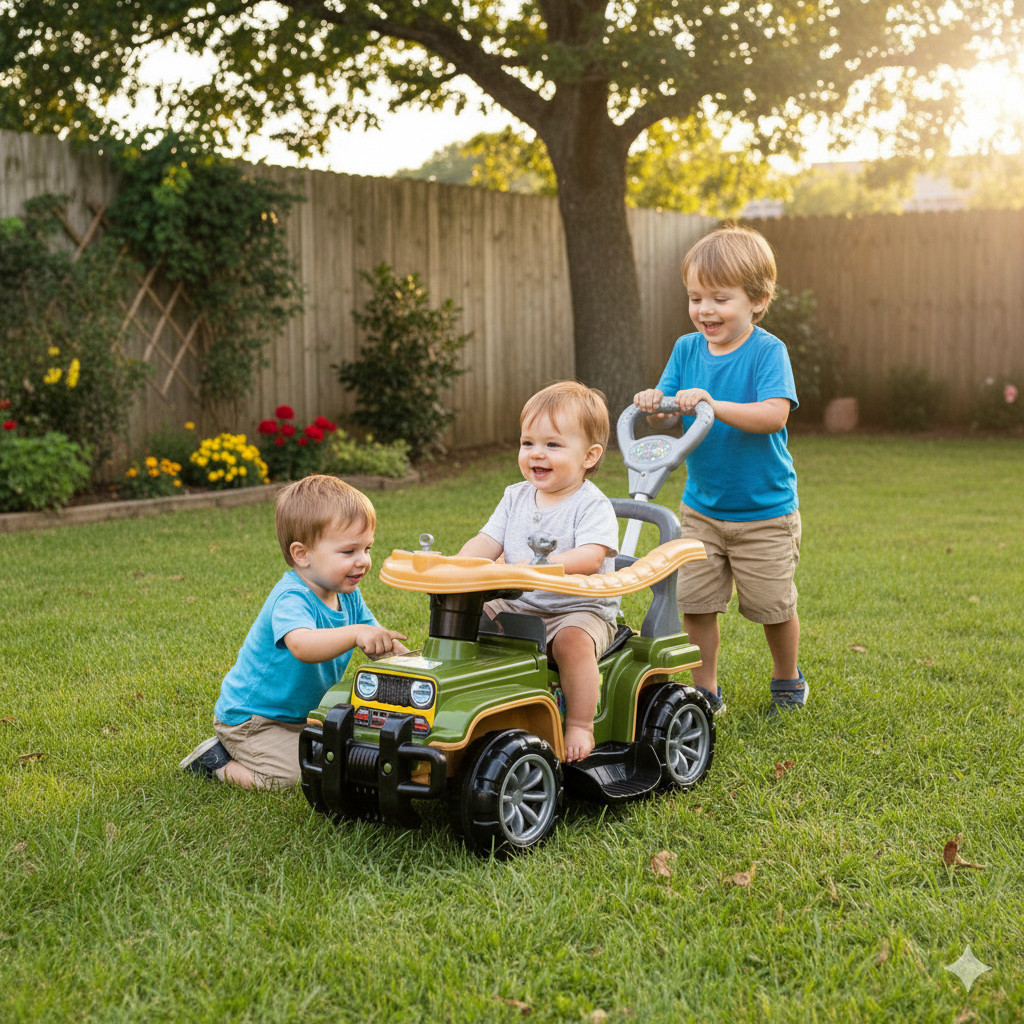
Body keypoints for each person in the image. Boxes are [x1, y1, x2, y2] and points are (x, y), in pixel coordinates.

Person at [633, 224, 806, 716]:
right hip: (702, 509)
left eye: (719, 299)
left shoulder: (767, 352)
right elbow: (669, 415)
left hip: (765, 511)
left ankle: (787, 681)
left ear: (758, 299)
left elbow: (774, 414)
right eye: (695, 297)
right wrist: (656, 405)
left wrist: (712, 402)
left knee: (773, 607)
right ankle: (705, 689)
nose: (705, 310)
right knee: (696, 603)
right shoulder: (686, 350)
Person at [179, 474, 408, 788]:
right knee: (295, 776)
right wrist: (355, 634)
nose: (363, 561)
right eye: (348, 552)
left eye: (367, 548)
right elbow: (303, 645)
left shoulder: (348, 595)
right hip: (254, 720)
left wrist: (415, 665)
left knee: (346, 753)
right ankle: (215, 761)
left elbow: (378, 638)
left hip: (301, 717)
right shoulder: (291, 597)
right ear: (302, 554)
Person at [458, 380, 620, 762]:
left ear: (589, 456)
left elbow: (592, 557)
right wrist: (458, 565)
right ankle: (477, 698)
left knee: (572, 644)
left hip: (578, 610)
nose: (536, 454)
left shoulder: (591, 505)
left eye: (553, 445)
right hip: (522, 604)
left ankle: (580, 722)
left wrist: (541, 568)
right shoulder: (514, 495)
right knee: (471, 613)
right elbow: (486, 541)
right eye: (527, 443)